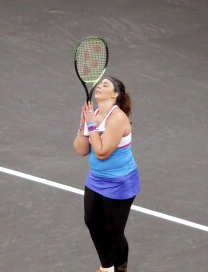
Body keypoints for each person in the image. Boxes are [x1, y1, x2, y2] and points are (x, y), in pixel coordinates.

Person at [73, 76, 140, 272]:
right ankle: (106, 268)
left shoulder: (118, 118)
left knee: (113, 231)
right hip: (96, 179)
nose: (100, 86)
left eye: (106, 84)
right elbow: (81, 150)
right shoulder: (93, 113)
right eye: (100, 83)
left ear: (115, 95)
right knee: (92, 223)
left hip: (120, 183)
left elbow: (102, 152)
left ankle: (120, 270)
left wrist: (92, 125)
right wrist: (83, 123)